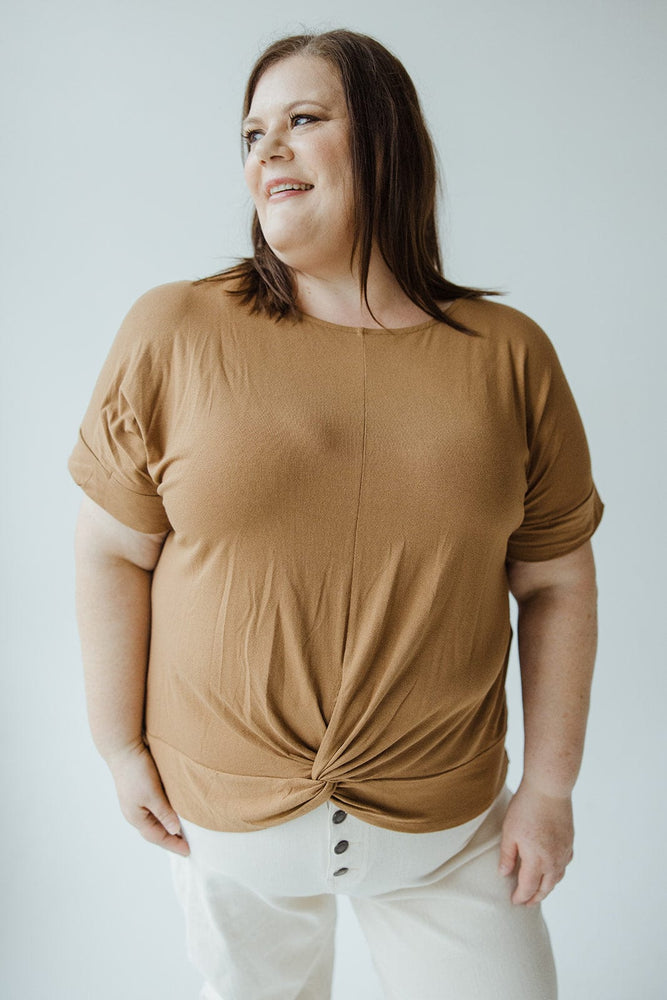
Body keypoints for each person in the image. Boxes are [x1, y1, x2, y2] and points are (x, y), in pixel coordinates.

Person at [68, 27, 603, 1000]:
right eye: (251, 132)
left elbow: (558, 578)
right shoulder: (176, 330)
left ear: (386, 140)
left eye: (303, 120)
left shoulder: (507, 355)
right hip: (223, 825)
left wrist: (551, 787)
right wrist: (118, 747)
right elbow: (111, 549)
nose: (266, 149)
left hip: (448, 832)